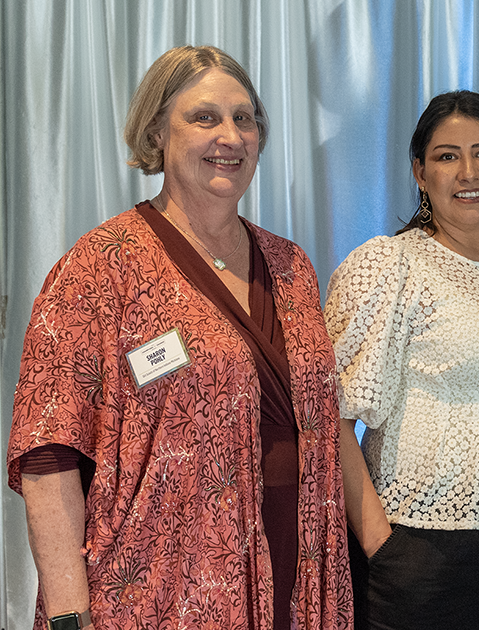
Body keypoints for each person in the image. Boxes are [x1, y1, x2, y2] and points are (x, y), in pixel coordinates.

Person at [6, 46, 352, 630]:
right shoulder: (101, 267)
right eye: (205, 117)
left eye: (245, 119)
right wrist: (69, 613)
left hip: (302, 569)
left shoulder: (291, 266)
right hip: (160, 590)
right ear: (156, 133)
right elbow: (49, 452)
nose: (231, 136)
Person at [325, 90, 479, 630]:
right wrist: (378, 542)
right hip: (417, 543)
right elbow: (331, 415)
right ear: (419, 171)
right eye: (445, 156)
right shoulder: (388, 265)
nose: (467, 172)